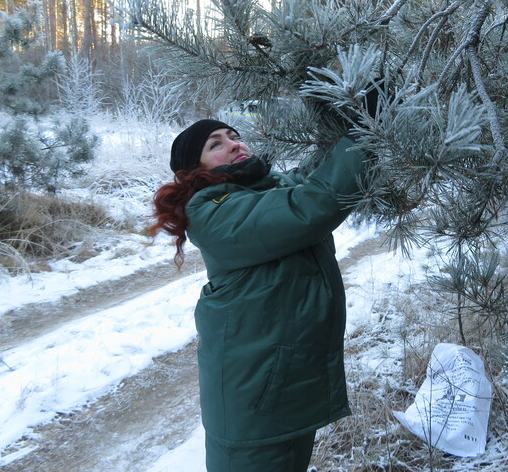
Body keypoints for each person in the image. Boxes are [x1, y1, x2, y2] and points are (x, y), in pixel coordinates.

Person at [149, 117, 368, 472]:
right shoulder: (210, 210)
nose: (234, 144)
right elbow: (311, 206)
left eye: (234, 136)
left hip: (285, 389)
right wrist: (360, 137)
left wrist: (347, 115)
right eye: (215, 144)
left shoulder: (268, 187)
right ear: (194, 168)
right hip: (254, 405)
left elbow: (316, 171)